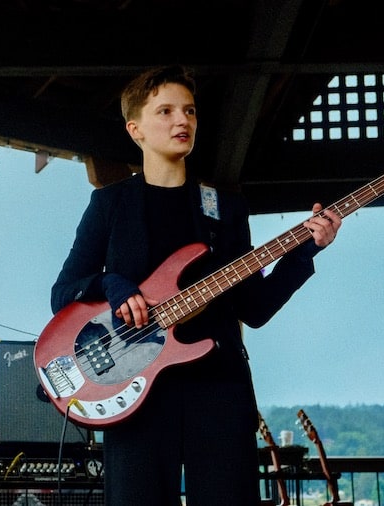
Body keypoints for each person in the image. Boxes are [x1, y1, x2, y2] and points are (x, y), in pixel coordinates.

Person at [49, 65, 341, 505]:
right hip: (133, 387)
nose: (181, 121)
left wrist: (303, 253)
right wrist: (113, 284)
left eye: (189, 111)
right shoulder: (110, 205)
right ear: (136, 130)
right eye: (165, 111)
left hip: (217, 386)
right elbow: (63, 292)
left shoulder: (222, 207)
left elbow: (254, 308)